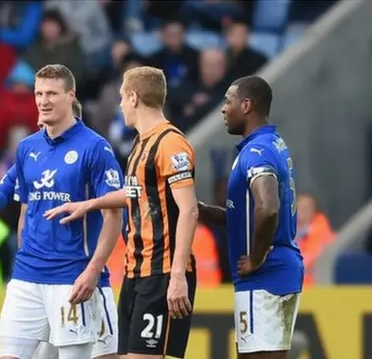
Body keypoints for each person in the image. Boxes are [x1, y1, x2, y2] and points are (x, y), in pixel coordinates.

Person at [45, 66, 199, 359]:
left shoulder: (171, 143)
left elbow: (189, 210)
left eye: (121, 98)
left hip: (162, 271)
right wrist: (90, 204)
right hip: (135, 270)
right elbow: (135, 193)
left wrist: (178, 274)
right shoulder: (142, 143)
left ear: (133, 97)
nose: (119, 105)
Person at [0, 64, 123, 359]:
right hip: (27, 277)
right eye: (39, 93)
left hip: (72, 278)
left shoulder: (95, 147)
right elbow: (25, 211)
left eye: (52, 93)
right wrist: (23, 257)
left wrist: (93, 270)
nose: (44, 100)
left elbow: (114, 213)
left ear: (71, 96)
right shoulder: (27, 148)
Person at [197, 75, 303, 359]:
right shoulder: (271, 144)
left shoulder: (256, 152)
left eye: (228, 101)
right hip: (279, 271)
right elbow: (247, 215)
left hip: (265, 275)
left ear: (246, 105)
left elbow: (268, 208)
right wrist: (206, 212)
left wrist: (256, 257)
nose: (223, 109)